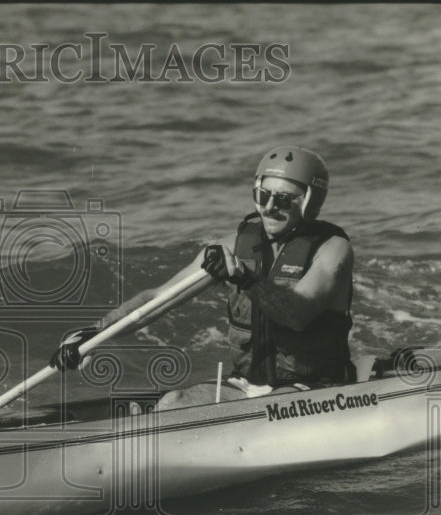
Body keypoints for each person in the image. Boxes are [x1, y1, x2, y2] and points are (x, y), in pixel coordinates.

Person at [49, 146, 354, 405]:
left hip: (314, 388)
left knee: (272, 405)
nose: (270, 207)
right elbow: (158, 298)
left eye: (284, 200)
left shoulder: (332, 249)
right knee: (173, 403)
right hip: (248, 385)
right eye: (263, 196)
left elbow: (298, 313)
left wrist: (246, 279)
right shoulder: (232, 245)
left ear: (310, 202)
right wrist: (95, 334)